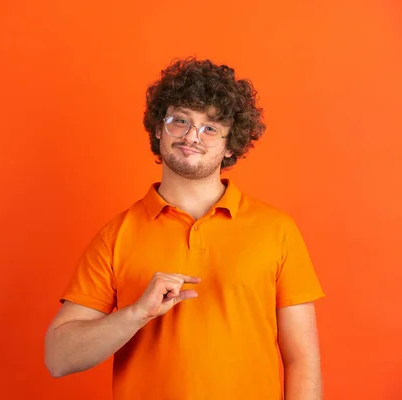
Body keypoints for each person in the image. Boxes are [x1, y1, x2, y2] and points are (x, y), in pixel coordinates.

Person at [44, 57, 325, 400]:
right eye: (180, 121)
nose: (192, 137)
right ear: (159, 128)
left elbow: (302, 359)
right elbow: (58, 358)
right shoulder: (116, 235)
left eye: (210, 128)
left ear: (229, 144)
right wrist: (135, 314)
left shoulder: (276, 230)